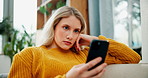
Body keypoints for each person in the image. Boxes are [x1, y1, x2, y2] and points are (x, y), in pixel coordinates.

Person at [8, 6, 141, 78]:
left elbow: (133, 58)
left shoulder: (84, 55)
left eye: (76, 31)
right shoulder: (29, 56)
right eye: (66, 28)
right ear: (54, 26)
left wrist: (94, 39)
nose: (70, 36)